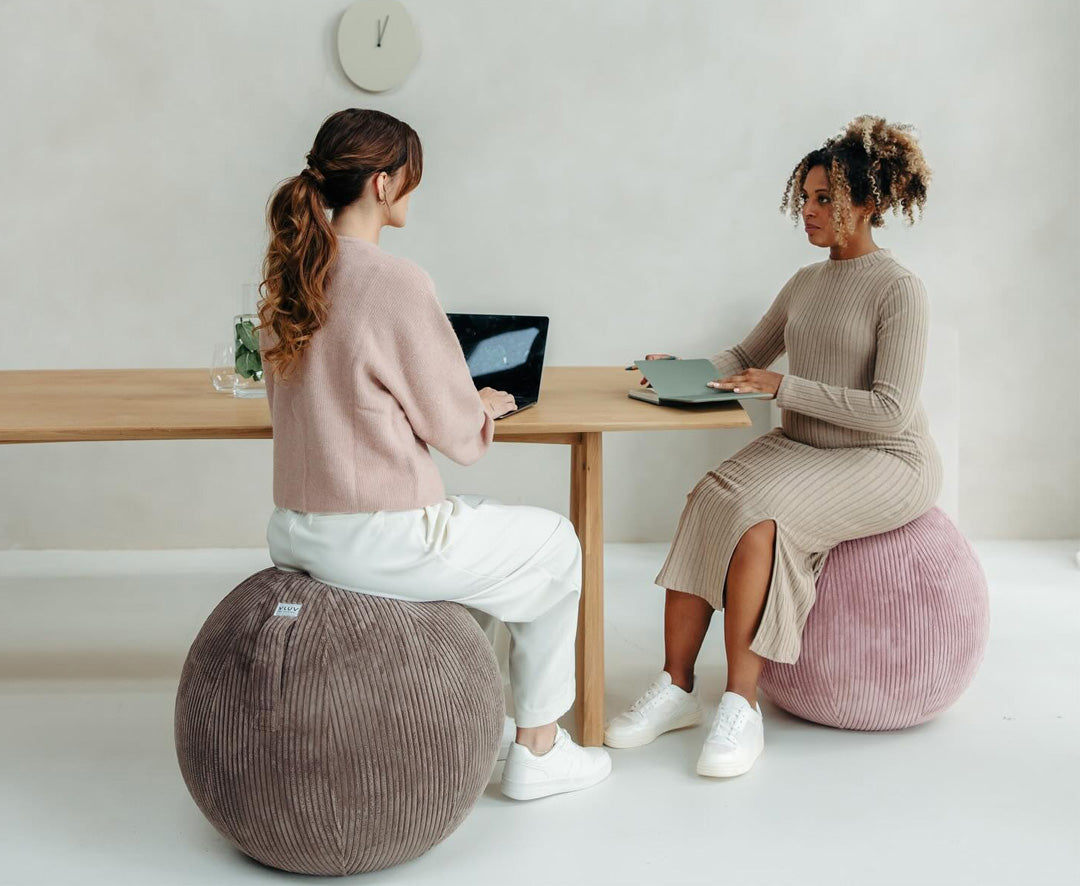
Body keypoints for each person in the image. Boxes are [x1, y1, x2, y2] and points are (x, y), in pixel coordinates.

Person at [258, 108, 611, 801]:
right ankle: (538, 749)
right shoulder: (394, 282)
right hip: (380, 535)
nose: (413, 192)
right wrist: (478, 405)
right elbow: (457, 437)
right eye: (410, 179)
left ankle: (461, 721)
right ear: (384, 184)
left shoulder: (289, 277)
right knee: (558, 546)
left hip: (298, 528)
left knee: (477, 524)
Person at [605, 115, 943, 778]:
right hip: (805, 445)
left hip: (885, 458)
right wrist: (683, 368)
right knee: (710, 498)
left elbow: (890, 409)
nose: (810, 212)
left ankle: (741, 705)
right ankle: (676, 688)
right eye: (808, 198)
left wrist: (782, 388)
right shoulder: (805, 283)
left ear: (869, 204)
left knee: (761, 522)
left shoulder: (900, 290)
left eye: (826, 199)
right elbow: (745, 356)